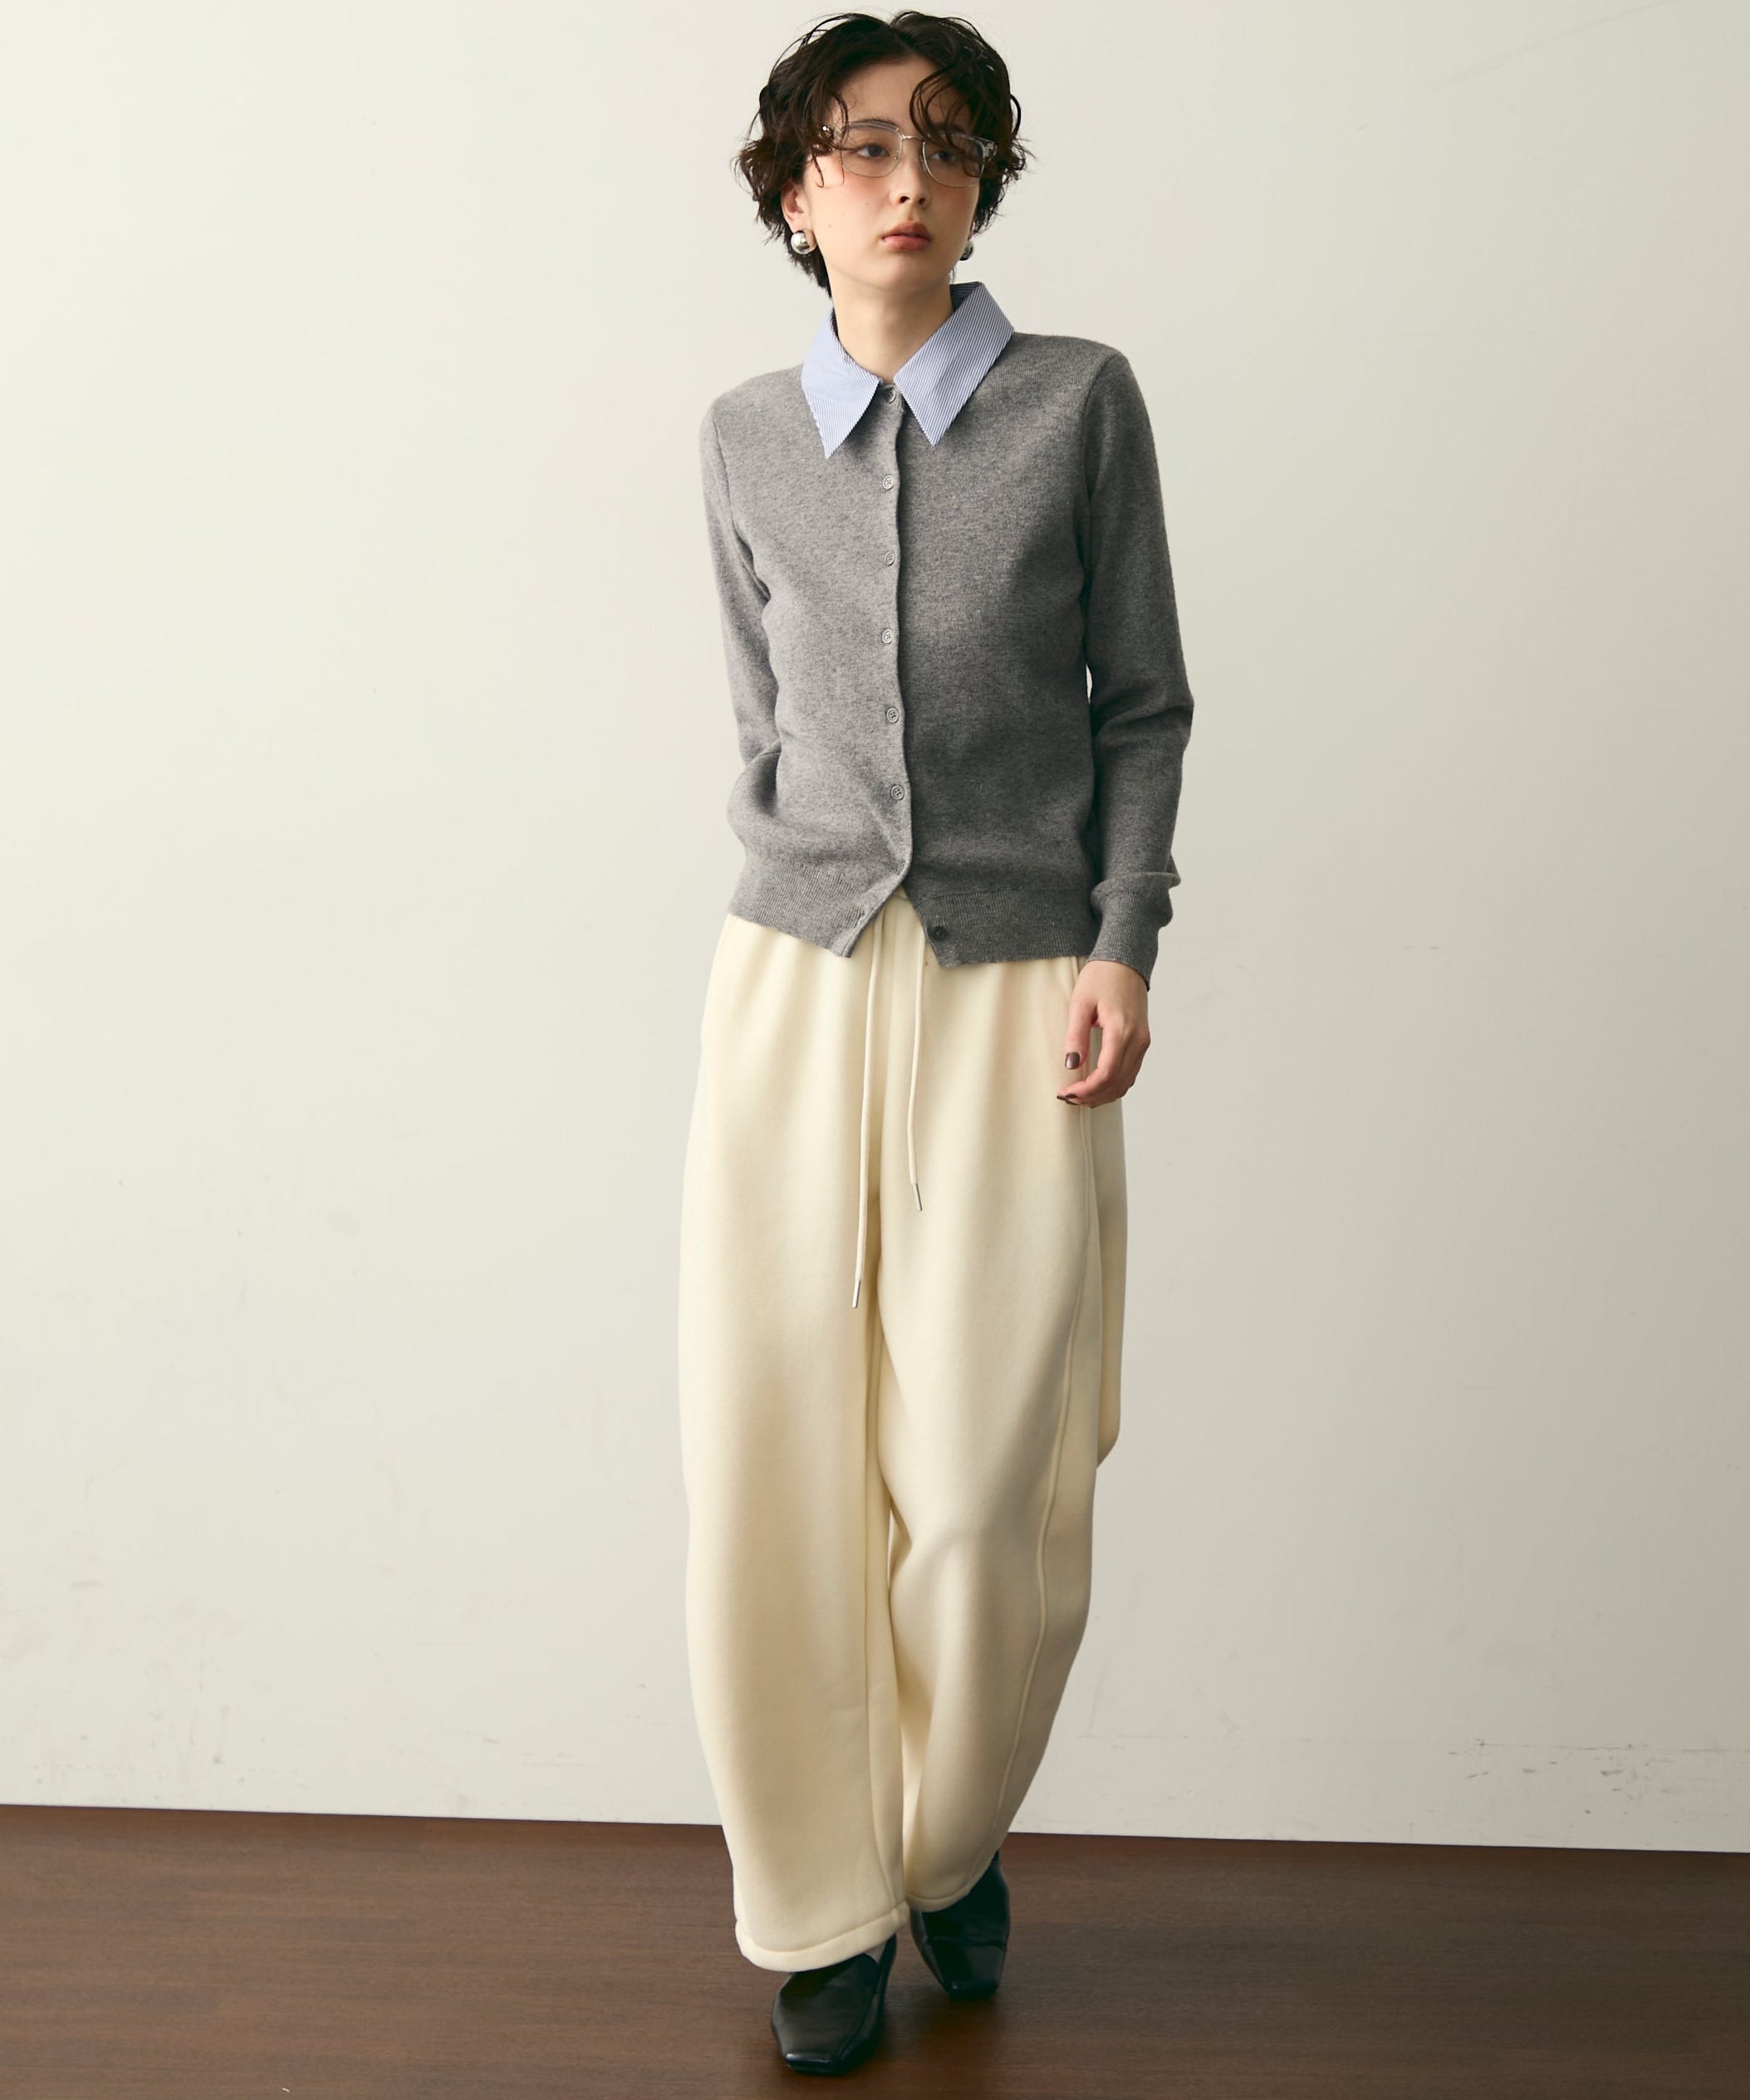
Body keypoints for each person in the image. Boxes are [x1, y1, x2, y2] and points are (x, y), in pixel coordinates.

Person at [678, 7, 1195, 2075]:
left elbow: (1139, 703)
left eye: (949, 145)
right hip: (794, 985)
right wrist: (806, 888)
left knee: (987, 1481)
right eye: (864, 146)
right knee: (773, 1462)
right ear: (795, 192)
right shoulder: (741, 437)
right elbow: (760, 723)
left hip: (1017, 983)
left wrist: (1122, 939)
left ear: (983, 183)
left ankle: (943, 1836)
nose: (910, 180)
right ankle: (816, 1908)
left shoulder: (1077, 406)